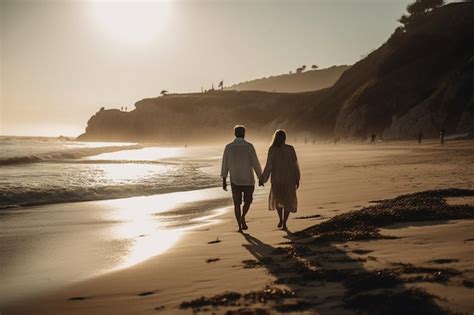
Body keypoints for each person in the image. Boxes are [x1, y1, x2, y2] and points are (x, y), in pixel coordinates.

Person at [221, 125, 263, 232]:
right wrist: (260, 177)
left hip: (235, 179)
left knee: (236, 203)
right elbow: (255, 163)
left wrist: (224, 180)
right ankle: (243, 216)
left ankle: (239, 225)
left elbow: (224, 164)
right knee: (247, 202)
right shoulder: (249, 146)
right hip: (248, 179)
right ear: (244, 134)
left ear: (235, 134)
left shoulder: (228, 147)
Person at [260, 130, 300, 230]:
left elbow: (268, 166)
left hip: (277, 179)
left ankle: (280, 220)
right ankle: (285, 222)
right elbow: (295, 165)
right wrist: (297, 178)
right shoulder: (290, 149)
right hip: (289, 179)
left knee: (278, 200)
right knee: (288, 200)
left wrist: (263, 179)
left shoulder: (272, 149)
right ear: (285, 138)